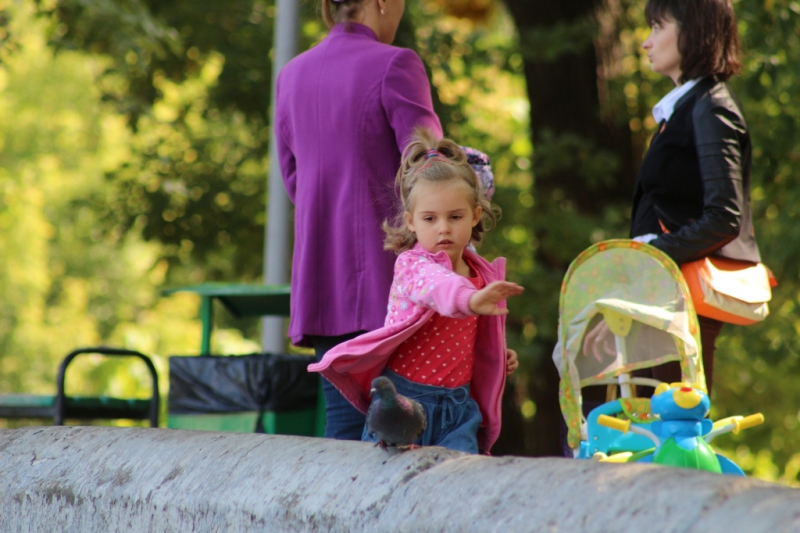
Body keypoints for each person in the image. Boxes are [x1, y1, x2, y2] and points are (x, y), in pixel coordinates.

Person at [275, 0, 442, 440]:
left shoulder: (291, 75)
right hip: (395, 282)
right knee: (407, 428)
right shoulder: (396, 64)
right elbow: (432, 175)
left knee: (344, 427)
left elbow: (295, 182)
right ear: (382, 2)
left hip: (322, 281)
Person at [308, 129, 524, 454]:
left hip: (458, 408)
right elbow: (438, 286)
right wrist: (470, 298)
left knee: (460, 475)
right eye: (429, 218)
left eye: (455, 216)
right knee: (387, 475)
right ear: (411, 222)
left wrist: (497, 355)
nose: (443, 228)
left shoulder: (481, 274)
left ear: (475, 216)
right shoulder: (412, 265)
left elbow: (471, 339)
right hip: (403, 403)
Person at [584, 0, 761, 395]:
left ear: (692, 30)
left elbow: (724, 217)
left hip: (679, 297)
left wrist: (650, 255)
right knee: (634, 412)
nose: (645, 42)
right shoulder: (687, 107)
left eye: (657, 27)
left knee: (673, 419)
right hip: (659, 290)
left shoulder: (711, 108)